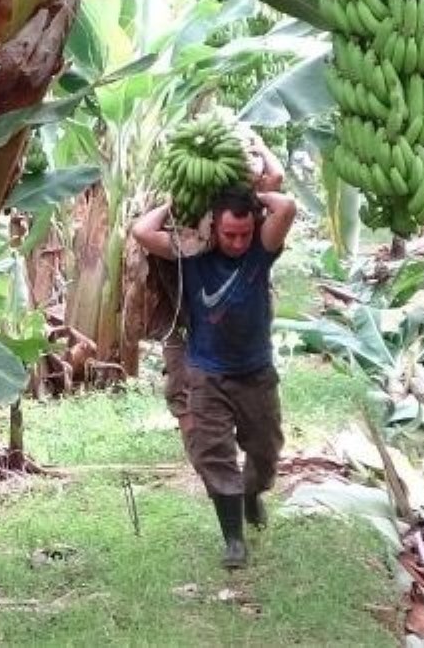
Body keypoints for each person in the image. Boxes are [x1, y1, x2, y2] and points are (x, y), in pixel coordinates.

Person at [130, 146, 295, 570]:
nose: (238, 242)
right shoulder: (193, 254)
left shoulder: (262, 249)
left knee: (265, 450)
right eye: (229, 234)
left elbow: (286, 204)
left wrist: (254, 196)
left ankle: (253, 493)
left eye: (243, 233)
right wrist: (175, 204)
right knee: (212, 452)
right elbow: (143, 232)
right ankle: (234, 539)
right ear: (212, 228)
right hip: (208, 373)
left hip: (256, 372)